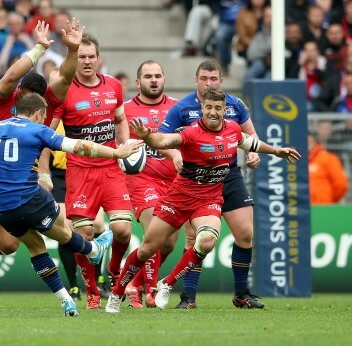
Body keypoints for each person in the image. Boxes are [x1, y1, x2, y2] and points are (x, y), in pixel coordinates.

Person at [105, 87, 301, 313]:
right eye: (208, 107)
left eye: (218, 108)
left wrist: (276, 151)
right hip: (179, 198)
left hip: (208, 200)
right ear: (202, 109)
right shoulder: (191, 133)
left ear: (225, 110)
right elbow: (164, 140)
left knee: (206, 241)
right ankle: (117, 292)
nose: (213, 112)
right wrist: (147, 136)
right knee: (147, 249)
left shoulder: (233, 129)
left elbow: (249, 142)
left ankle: (167, 283)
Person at [0, 93, 142, 316]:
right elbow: (80, 146)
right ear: (37, 113)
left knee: (36, 248)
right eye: (44, 116)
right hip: (30, 199)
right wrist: (116, 152)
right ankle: (93, 250)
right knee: (64, 232)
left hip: (2, 207)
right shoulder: (37, 130)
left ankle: (66, 301)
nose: (45, 121)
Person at [0, 19, 83, 315]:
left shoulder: (45, 105)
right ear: (19, 93)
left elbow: (66, 77)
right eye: (25, 99)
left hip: (16, 183)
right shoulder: (1, 100)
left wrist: (73, 50)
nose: (30, 107)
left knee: (10, 245)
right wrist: (39, 48)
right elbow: (11, 74)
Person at [158, 59, 264, 309]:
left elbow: (251, 135)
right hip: (196, 179)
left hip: (229, 175)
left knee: (245, 233)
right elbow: (161, 139)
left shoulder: (235, 104)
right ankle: (188, 297)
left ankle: (241, 294)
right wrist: (175, 155)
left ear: (221, 81)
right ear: (196, 80)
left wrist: (253, 152)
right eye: (204, 79)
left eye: (213, 79)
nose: (209, 83)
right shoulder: (182, 108)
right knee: (194, 237)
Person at [51, 34, 132, 310]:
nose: (87, 61)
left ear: (99, 58)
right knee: (84, 234)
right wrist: (42, 171)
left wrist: (125, 145)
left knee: (122, 230)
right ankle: (92, 293)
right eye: (82, 57)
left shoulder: (114, 85)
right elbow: (48, 134)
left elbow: (120, 119)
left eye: (91, 56)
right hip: (79, 171)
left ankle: (113, 268)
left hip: (110, 168)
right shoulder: (65, 90)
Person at [121, 60, 179, 308]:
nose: (153, 80)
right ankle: (151, 290)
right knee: (155, 230)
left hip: (173, 181)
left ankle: (133, 283)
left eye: (157, 76)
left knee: (169, 242)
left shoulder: (178, 108)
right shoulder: (125, 110)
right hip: (142, 179)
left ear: (164, 79)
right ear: (138, 82)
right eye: (148, 76)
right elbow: (118, 144)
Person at [308, 131, 348, 204]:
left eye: (309, 141)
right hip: (303, 208)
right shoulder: (297, 161)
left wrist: (330, 200)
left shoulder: (328, 159)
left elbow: (340, 185)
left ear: (315, 142)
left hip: (323, 206)